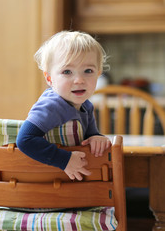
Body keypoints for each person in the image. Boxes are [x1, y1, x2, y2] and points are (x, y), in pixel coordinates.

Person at [16, 30, 111, 181]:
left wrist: (97, 138)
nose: (79, 80)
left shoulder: (86, 106)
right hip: (45, 183)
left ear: (98, 74)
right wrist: (64, 159)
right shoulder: (52, 105)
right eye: (67, 71)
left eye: (88, 71)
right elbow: (25, 139)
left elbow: (90, 135)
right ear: (49, 78)